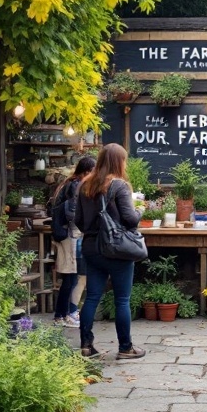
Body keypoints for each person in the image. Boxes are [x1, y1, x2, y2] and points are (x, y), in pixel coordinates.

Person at [74, 143, 146, 360]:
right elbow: (130, 220)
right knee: (122, 299)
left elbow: (78, 220)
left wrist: (94, 232)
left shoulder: (85, 185)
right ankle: (125, 348)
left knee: (92, 296)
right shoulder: (119, 186)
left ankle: (86, 346)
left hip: (91, 248)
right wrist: (141, 210)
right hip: (116, 250)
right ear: (118, 161)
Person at [49, 156, 96, 326]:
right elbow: (73, 214)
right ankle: (66, 314)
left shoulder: (69, 183)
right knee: (71, 277)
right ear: (86, 172)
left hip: (68, 235)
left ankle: (62, 315)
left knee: (70, 278)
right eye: (92, 172)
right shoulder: (75, 185)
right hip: (70, 236)